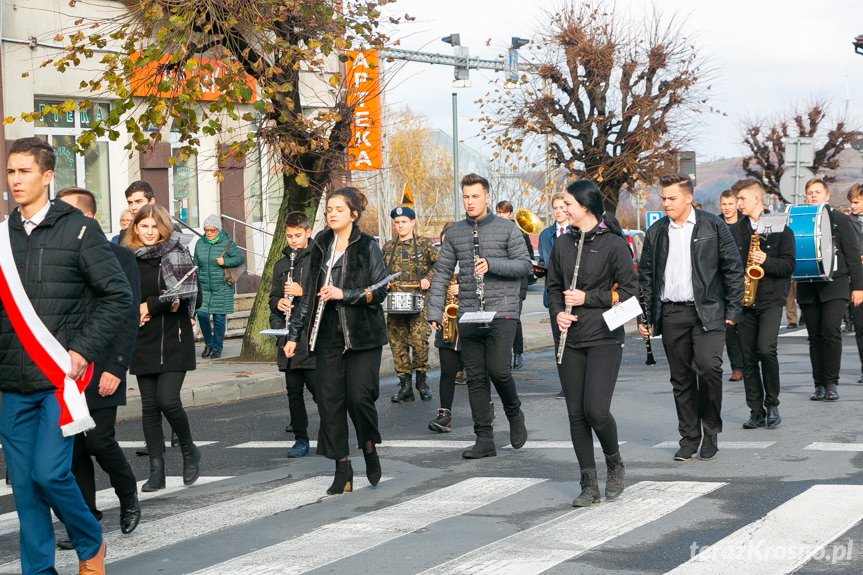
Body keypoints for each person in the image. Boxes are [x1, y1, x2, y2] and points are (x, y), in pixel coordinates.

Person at [0, 137, 132, 574]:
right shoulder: (3, 235)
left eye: (24, 171)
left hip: (58, 378)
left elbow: (117, 297)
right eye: (11, 171)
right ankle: (39, 570)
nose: (15, 180)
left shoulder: (79, 229)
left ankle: (90, 540)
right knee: (23, 487)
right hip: (10, 382)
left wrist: (83, 350)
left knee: (50, 474)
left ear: (47, 175)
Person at [284, 187, 387, 495]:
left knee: (359, 399)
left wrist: (346, 294)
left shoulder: (367, 246)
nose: (331, 213)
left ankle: (368, 447)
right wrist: (293, 336)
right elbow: (306, 299)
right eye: (329, 209)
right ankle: (342, 468)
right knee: (329, 404)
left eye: (339, 209)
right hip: (326, 335)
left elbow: (380, 289)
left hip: (362, 336)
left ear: (353, 215)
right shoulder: (319, 245)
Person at [55, 188, 142, 544]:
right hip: (67, 369)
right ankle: (85, 521)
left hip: (105, 367)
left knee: (99, 442)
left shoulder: (121, 258)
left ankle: (128, 497)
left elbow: (126, 317)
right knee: (73, 449)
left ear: (89, 218)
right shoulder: (57, 256)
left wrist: (117, 368)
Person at [638, 174, 744, 462]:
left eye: (672, 198)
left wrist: (733, 311)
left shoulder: (712, 224)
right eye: (663, 198)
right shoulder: (657, 230)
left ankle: (710, 431)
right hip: (672, 312)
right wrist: (646, 315)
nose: (666, 203)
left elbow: (733, 268)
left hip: (708, 310)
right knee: (681, 379)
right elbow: (645, 276)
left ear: (687, 198)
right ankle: (689, 437)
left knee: (709, 369)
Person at [428, 173, 531, 459]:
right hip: (469, 313)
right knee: (475, 378)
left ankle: (514, 412)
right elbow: (441, 274)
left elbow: (525, 265)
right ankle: (484, 439)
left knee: (498, 370)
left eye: (475, 196)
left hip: (503, 312)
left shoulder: (508, 229)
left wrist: (493, 264)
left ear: (487, 197)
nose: (470, 202)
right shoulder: (457, 233)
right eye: (465, 197)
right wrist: (435, 310)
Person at [547, 180, 637, 507]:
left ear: (585, 206)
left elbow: (630, 294)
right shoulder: (561, 244)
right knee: (575, 414)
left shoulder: (614, 245)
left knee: (596, 410)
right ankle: (588, 483)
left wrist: (589, 298)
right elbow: (553, 289)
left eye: (568, 203)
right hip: (569, 338)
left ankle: (615, 462)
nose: (563, 209)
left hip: (604, 336)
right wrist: (557, 313)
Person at [123, 203, 203, 491]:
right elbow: (118, 296)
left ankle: (189, 449)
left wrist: (151, 305)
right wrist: (133, 310)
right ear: (135, 228)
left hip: (173, 338)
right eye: (144, 226)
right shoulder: (127, 258)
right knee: (148, 407)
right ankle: (156, 470)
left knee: (168, 400)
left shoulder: (178, 254)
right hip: (142, 339)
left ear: (164, 228)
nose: (149, 231)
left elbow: (191, 295)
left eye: (155, 226)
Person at [729, 180, 795, 429]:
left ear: (757, 199)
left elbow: (789, 265)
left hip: (769, 299)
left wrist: (766, 260)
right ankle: (755, 411)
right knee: (748, 358)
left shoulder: (780, 228)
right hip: (744, 301)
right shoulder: (735, 230)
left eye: (742, 198)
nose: (738, 203)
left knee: (766, 350)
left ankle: (773, 405)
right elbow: (727, 265)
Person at [796, 178, 863, 401]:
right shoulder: (800, 219)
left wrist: (858, 288)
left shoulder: (839, 220)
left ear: (826, 196)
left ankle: (832, 382)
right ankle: (819, 385)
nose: (813, 196)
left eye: (817, 192)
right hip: (808, 285)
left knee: (831, 331)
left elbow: (853, 255)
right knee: (815, 336)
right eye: (810, 192)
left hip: (836, 284)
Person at [269, 211, 317, 458]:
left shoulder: (318, 261)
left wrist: (301, 292)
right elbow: (272, 299)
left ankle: (332, 434)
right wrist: (278, 304)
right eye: (289, 236)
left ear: (308, 232)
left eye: (298, 235)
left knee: (320, 391)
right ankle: (301, 438)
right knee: (293, 391)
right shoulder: (280, 265)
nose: (293, 240)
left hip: (311, 338)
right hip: (288, 339)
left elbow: (323, 296)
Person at [382, 205, 437, 403]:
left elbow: (439, 264)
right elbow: (379, 271)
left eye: (404, 222)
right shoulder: (388, 247)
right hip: (396, 303)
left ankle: (421, 382)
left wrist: (428, 279)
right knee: (397, 344)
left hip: (419, 303)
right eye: (397, 223)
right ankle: (405, 385)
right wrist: (384, 282)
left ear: (412, 222)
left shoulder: (423, 244)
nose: (400, 226)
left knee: (420, 342)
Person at [194, 214, 245, 359]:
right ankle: (209, 344)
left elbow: (240, 258)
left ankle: (217, 348)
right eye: (206, 230)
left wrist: (225, 262)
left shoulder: (227, 243)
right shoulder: (200, 243)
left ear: (219, 230)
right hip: (204, 287)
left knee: (219, 318)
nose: (209, 233)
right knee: (202, 315)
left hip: (221, 287)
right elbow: (196, 263)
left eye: (212, 230)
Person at [428, 222, 462, 433]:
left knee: (479, 373)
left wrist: (465, 285)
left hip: (471, 322)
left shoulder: (474, 261)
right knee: (448, 371)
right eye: (443, 243)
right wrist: (436, 312)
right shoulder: (441, 265)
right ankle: (444, 415)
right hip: (448, 322)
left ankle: (486, 412)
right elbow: (435, 290)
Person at [537, 192, 570, 398]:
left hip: (574, 293)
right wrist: (540, 268)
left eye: (561, 207)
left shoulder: (576, 231)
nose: (558, 211)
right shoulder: (545, 235)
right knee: (559, 341)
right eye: (555, 208)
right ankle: (566, 384)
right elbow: (544, 259)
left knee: (574, 340)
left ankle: (579, 381)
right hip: (554, 293)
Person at [495, 200, 533, 370]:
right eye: (498, 212)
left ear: (510, 214)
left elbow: (529, 256)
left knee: (514, 318)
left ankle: (518, 353)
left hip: (517, 282)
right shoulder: (493, 231)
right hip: (499, 280)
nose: (500, 215)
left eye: (503, 212)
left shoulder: (520, 233)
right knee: (500, 319)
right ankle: (504, 354)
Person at [719, 189, 744, 382]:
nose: (727, 208)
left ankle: (749, 363)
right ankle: (737, 367)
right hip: (724, 282)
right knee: (730, 327)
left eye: (730, 204)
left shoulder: (745, 223)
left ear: (737, 205)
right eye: (724, 204)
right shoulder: (716, 224)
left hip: (747, 279)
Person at [848, 183, 863, 383]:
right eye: (850, 202)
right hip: (857, 279)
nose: (852, 206)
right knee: (860, 326)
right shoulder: (847, 222)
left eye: (856, 202)